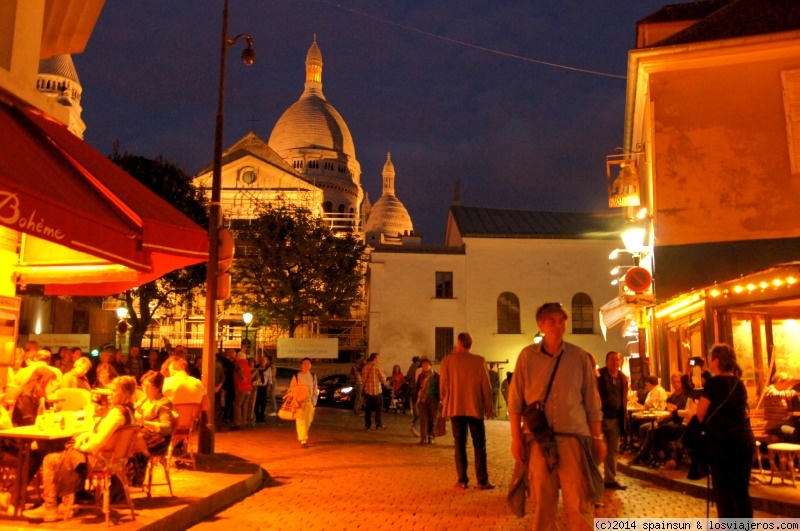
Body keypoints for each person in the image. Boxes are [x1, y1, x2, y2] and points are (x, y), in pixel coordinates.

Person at [508, 302, 605, 530]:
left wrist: (597, 437)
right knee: (543, 504)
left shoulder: (579, 356)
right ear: (541, 325)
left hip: (573, 438)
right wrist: (516, 439)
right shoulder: (526, 357)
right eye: (552, 320)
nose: (558, 325)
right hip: (539, 440)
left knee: (579, 504)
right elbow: (515, 401)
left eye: (562, 320)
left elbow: (591, 402)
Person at [24, 375, 138, 523]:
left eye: (115, 391)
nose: (110, 394)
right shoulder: (128, 412)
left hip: (101, 460)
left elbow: (95, 444)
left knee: (51, 459)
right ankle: (66, 505)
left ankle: (50, 508)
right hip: (114, 459)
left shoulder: (116, 414)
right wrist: (85, 435)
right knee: (66, 455)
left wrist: (80, 445)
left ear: (126, 393)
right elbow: (100, 434)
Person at [694, 343, 754, 518]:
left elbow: (700, 414)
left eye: (712, 359)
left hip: (722, 443)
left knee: (725, 490)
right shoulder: (739, 383)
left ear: (716, 361)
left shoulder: (713, 383)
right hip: (743, 441)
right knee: (741, 490)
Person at [440, 332, 495, 490]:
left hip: (456, 408)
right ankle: (482, 480)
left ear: (459, 343)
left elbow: (443, 387)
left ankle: (462, 480)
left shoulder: (447, 361)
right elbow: (486, 386)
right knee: (479, 445)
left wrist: (445, 403)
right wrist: (489, 407)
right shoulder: (479, 361)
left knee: (459, 444)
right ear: (470, 344)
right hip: (474, 408)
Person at [632, 372, 689, 466]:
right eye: (674, 382)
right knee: (648, 428)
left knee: (653, 430)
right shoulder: (672, 396)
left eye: (678, 382)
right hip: (668, 420)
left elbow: (681, 413)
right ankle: (652, 456)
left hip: (680, 423)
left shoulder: (685, 396)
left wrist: (668, 415)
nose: (676, 384)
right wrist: (660, 420)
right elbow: (666, 409)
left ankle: (645, 457)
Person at [597, 351, 628, 490]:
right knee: (597, 448)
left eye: (617, 360)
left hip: (616, 419)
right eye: (612, 360)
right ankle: (594, 479)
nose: (615, 362)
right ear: (606, 360)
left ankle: (610, 479)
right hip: (600, 418)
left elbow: (623, 399)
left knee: (613, 450)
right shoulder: (599, 376)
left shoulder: (622, 378)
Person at [134, 371, 173, 457]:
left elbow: (167, 428)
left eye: (148, 386)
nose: (144, 389)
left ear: (158, 387)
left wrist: (144, 422)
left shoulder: (163, 403)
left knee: (133, 448)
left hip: (158, 439)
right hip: (142, 436)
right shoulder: (144, 400)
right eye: (143, 385)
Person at [289, 357, 319, 448]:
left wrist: (314, 401)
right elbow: (292, 388)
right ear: (301, 365)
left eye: (308, 363)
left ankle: (304, 436)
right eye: (304, 363)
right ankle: (303, 440)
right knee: (301, 421)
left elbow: (315, 389)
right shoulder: (296, 376)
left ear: (310, 365)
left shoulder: (313, 376)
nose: (306, 365)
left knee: (308, 421)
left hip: (309, 403)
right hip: (300, 403)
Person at [763, 372, 798, 441]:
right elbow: (776, 395)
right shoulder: (769, 391)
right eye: (787, 383)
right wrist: (792, 392)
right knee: (795, 434)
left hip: (785, 424)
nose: (788, 386)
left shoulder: (782, 392)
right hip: (775, 427)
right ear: (779, 381)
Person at [415, 356, 439, 444]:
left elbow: (439, 387)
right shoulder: (421, 375)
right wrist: (416, 399)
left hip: (433, 398)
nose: (424, 366)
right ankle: (423, 438)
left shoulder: (436, 375)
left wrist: (440, 399)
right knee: (423, 418)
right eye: (423, 364)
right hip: (422, 399)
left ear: (430, 365)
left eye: (426, 364)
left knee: (432, 419)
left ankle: (431, 436)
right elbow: (418, 387)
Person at [362, 352, 387, 430]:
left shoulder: (365, 367)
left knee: (368, 409)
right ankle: (378, 424)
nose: (380, 360)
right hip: (376, 391)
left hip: (367, 392)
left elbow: (363, 379)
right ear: (375, 359)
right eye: (379, 358)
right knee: (378, 409)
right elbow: (383, 379)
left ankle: (367, 424)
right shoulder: (377, 368)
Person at [231, 350, 252, 430]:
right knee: (245, 406)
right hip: (248, 389)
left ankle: (238, 423)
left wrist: (242, 377)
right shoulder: (247, 365)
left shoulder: (238, 365)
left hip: (241, 388)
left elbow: (240, 373)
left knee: (237, 405)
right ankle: (244, 422)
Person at [405, 355, 421, 437]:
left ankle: (416, 417)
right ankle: (416, 417)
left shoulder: (413, 366)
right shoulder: (415, 367)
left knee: (415, 403)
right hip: (414, 387)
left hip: (413, 387)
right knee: (415, 403)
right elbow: (408, 376)